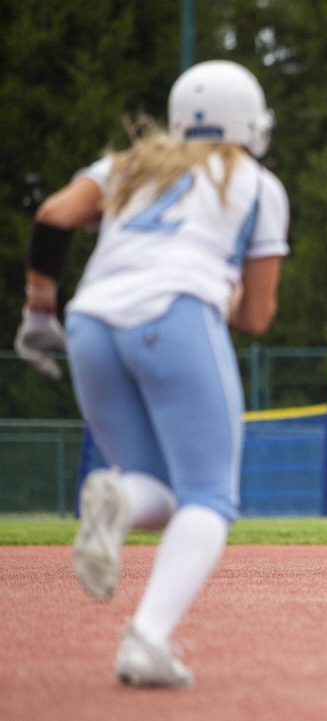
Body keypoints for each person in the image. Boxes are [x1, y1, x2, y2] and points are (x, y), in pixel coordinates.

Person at [13, 60, 289, 687]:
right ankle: (146, 638)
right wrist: (220, 289)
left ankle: (119, 499)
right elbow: (257, 316)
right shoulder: (256, 183)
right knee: (211, 497)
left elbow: (54, 213)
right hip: (175, 317)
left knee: (154, 487)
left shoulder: (130, 163)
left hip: (89, 322)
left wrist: (37, 309)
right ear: (250, 122)